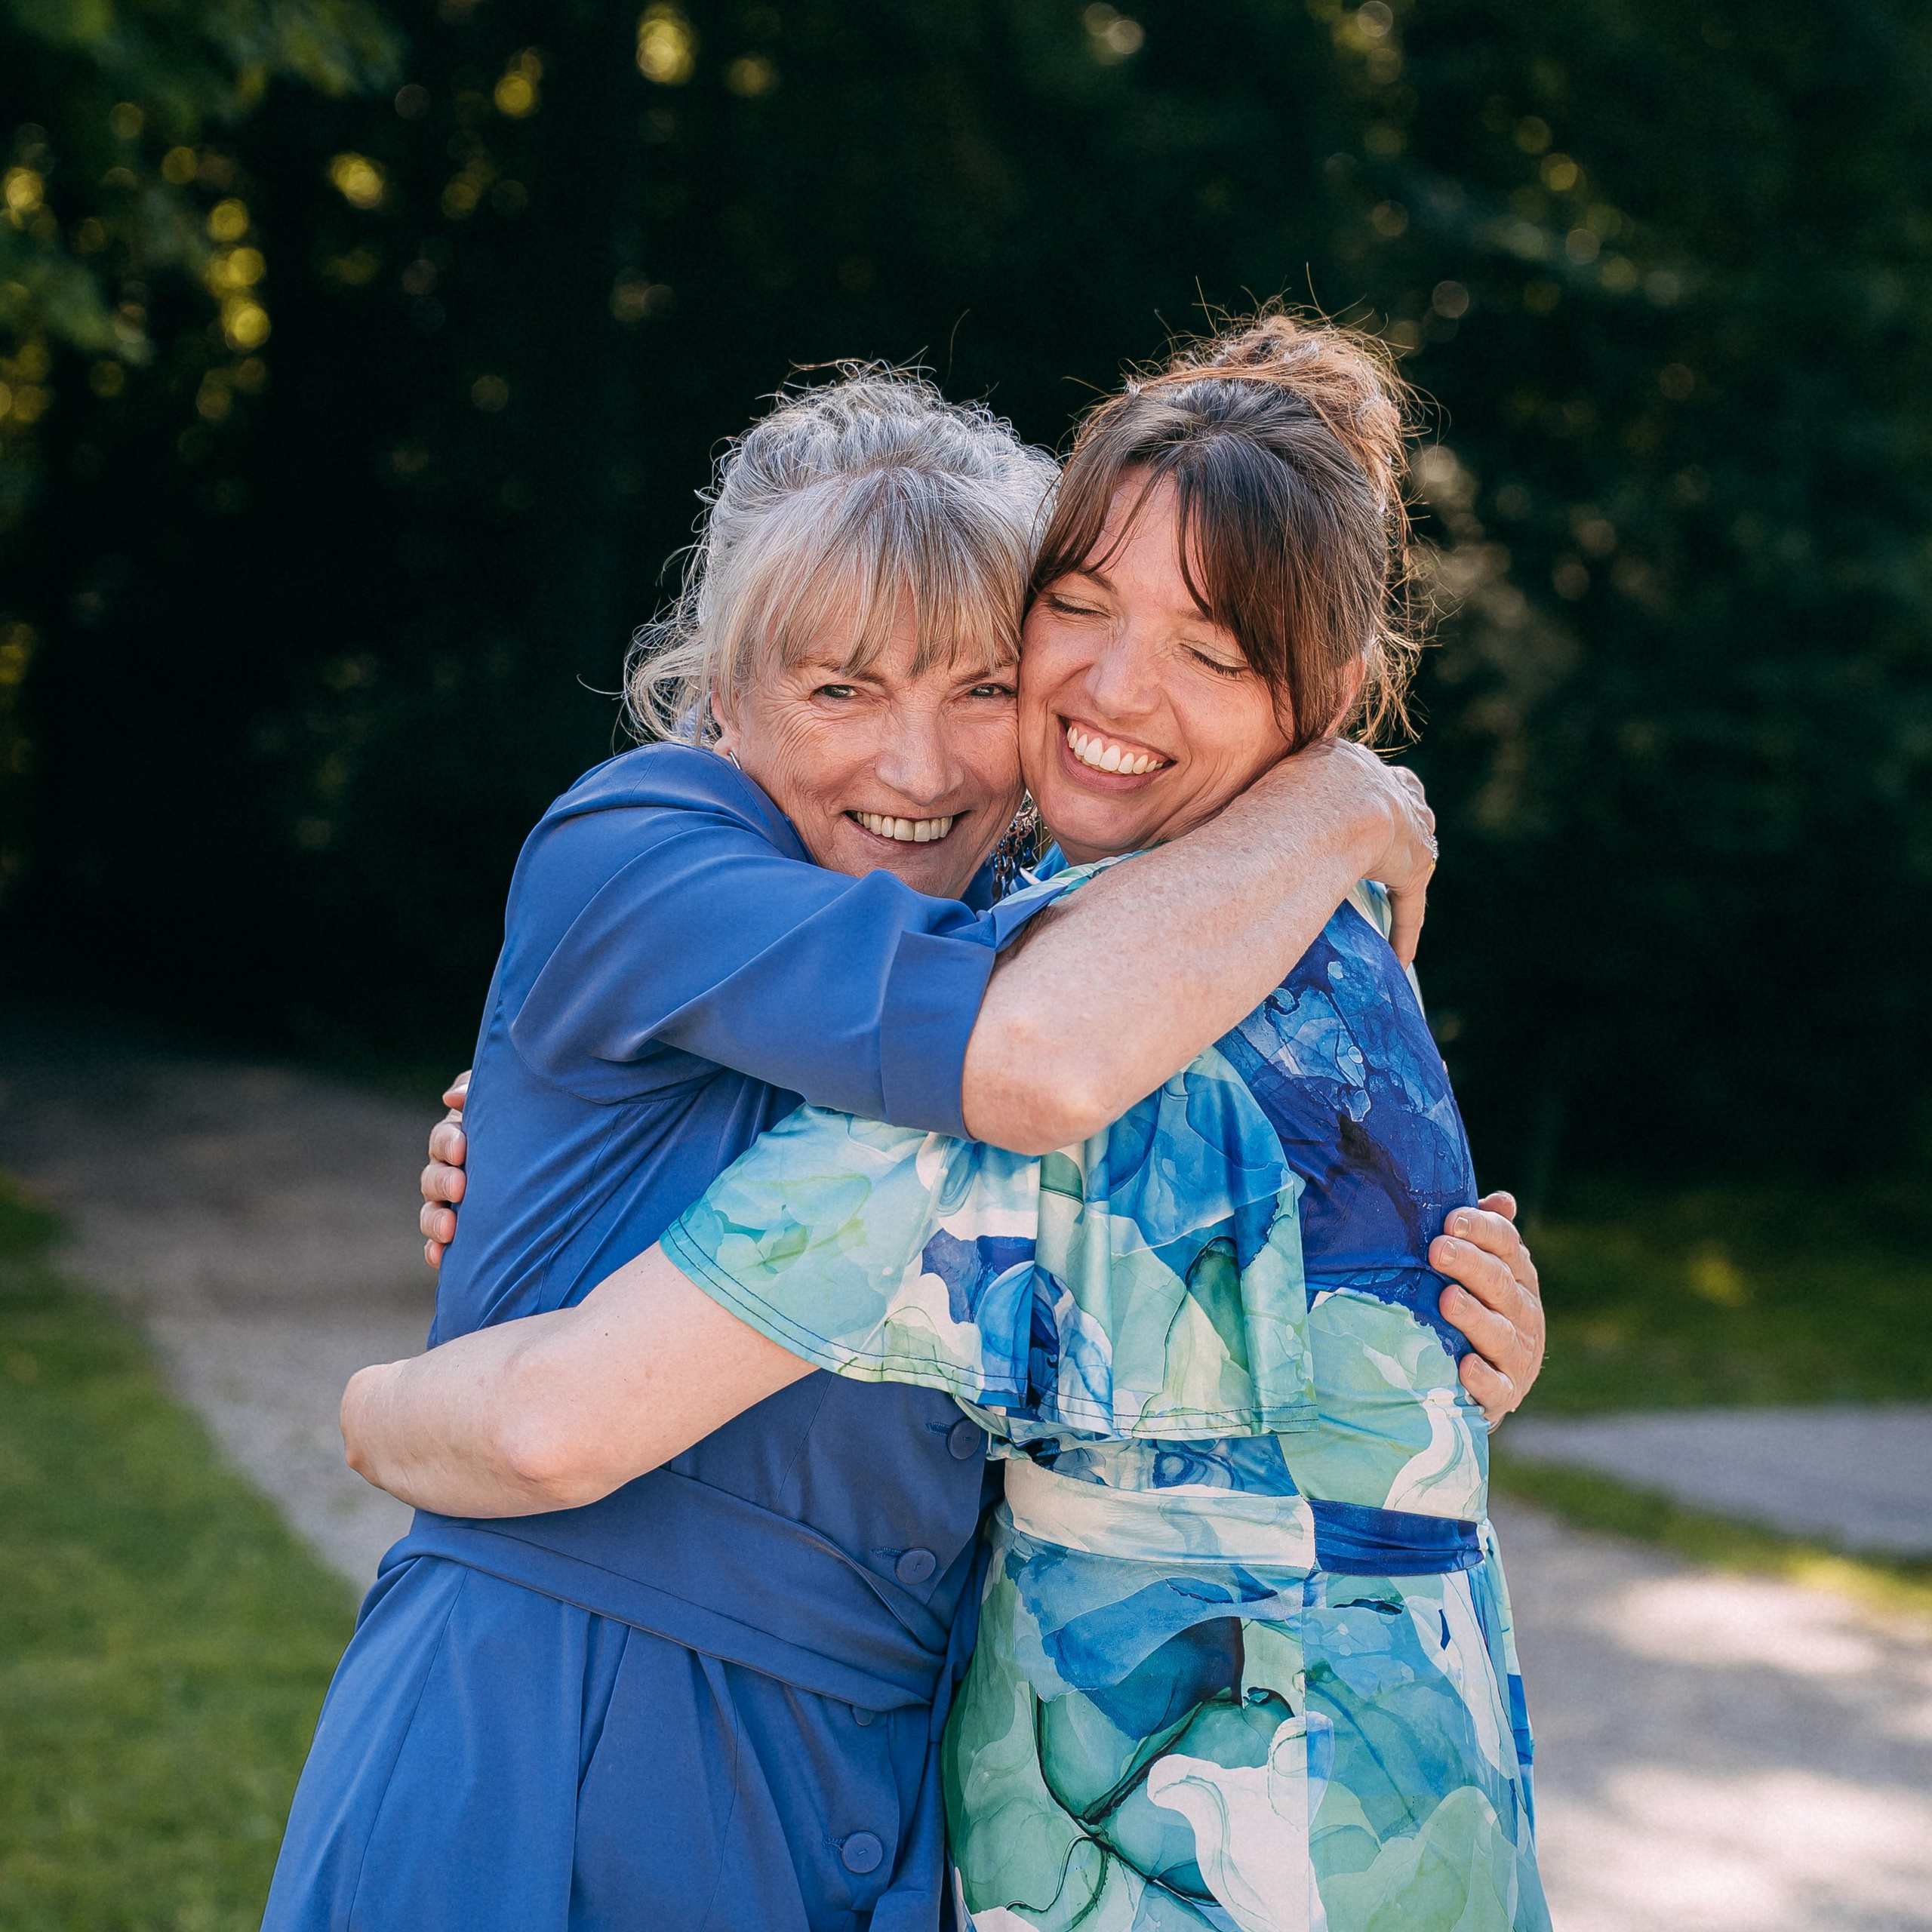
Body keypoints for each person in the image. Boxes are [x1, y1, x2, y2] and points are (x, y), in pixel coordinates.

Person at [346, 317, 1548, 1929]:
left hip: (910, 1778)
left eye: (979, 683)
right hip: (574, 1719)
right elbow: (1025, 1063)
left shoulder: (1051, 929)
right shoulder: (658, 838)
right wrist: (1344, 794)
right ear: (720, 700)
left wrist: (1433, 1345)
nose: (916, 763)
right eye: (841, 685)